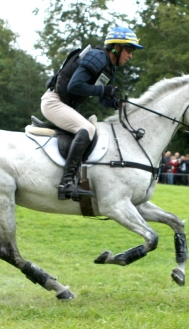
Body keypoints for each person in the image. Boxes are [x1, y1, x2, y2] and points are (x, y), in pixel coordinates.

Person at [40, 26, 140, 200]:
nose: (130, 55)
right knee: (87, 128)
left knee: (93, 129)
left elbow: (101, 97)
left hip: (64, 105)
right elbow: (75, 86)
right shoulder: (98, 57)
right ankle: (66, 183)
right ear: (116, 47)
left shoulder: (109, 67)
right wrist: (103, 90)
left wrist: (115, 102)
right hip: (53, 102)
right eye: (129, 50)